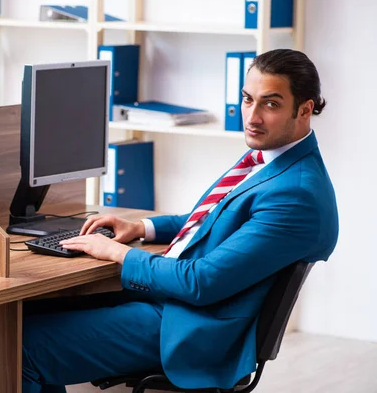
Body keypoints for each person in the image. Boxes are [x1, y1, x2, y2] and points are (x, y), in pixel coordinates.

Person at [22, 49, 339, 393]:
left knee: (19, 346)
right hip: (175, 307)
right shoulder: (273, 159)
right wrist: (142, 228)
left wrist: (117, 254)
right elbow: (214, 217)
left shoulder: (296, 195)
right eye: (248, 99)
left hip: (190, 329)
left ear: (305, 109)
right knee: (23, 318)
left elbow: (200, 282)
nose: (253, 116)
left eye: (271, 104)